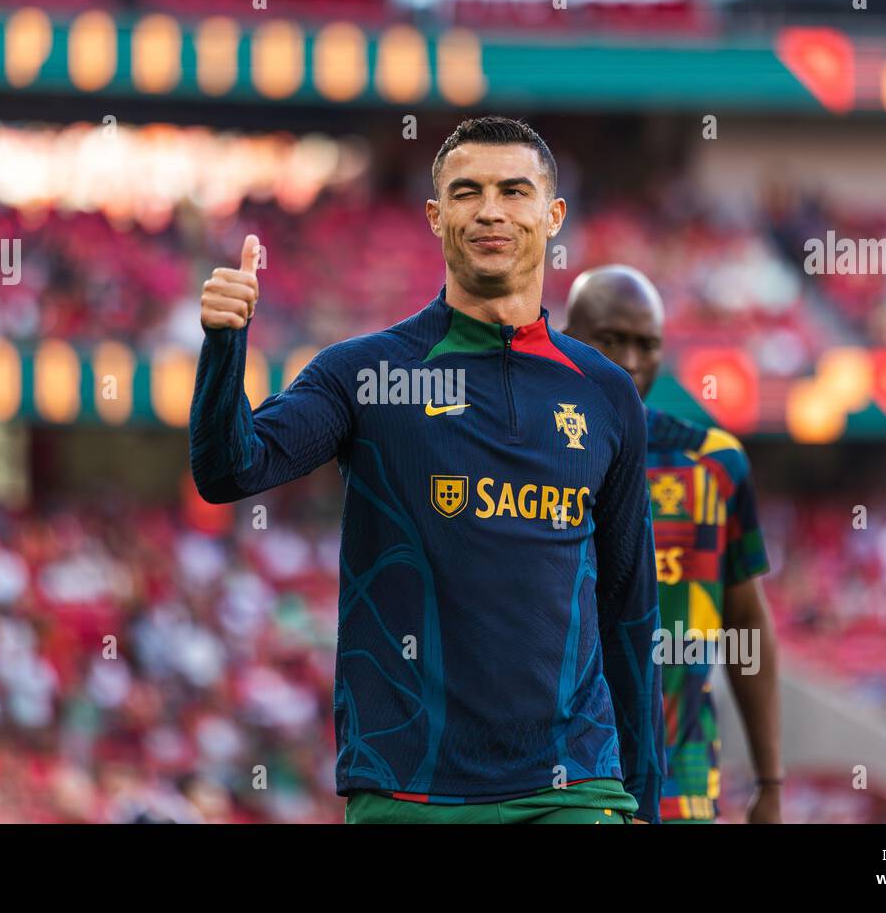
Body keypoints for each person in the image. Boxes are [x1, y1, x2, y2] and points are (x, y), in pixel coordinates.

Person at [191, 116, 663, 824]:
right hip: (410, 790)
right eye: (468, 192)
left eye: (514, 190)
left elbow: (630, 611)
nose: (491, 210)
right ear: (437, 217)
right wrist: (225, 347)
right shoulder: (366, 374)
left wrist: (647, 804)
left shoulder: (605, 392)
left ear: (552, 214)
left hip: (574, 790)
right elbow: (231, 470)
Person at [563, 265, 782, 823]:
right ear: (568, 337)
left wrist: (769, 782)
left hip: (680, 787)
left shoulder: (713, 464)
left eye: (648, 345)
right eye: (611, 340)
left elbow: (745, 620)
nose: (632, 362)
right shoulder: (527, 457)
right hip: (559, 787)